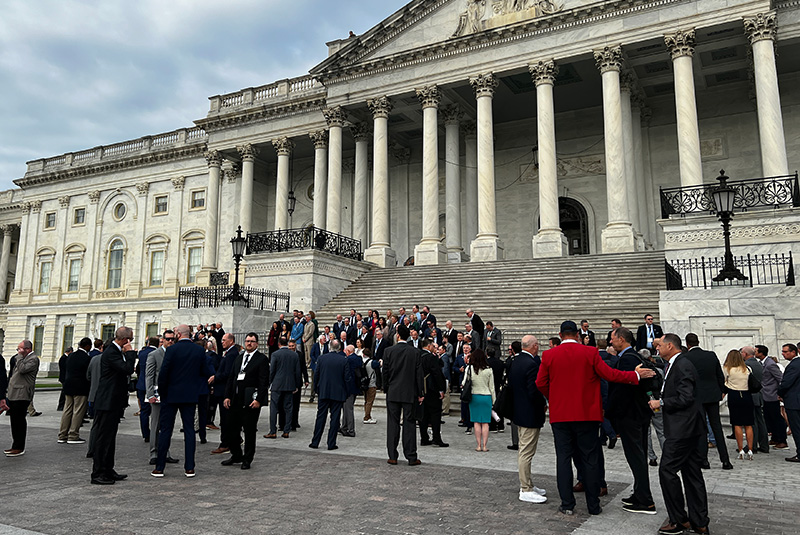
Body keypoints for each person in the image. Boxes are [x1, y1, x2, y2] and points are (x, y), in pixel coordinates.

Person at [536, 320, 654, 516]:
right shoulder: (589, 352)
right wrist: (635, 375)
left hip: (561, 414)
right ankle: (593, 504)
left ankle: (567, 504)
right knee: (590, 458)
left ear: (560, 334)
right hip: (587, 414)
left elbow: (540, 382)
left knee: (563, 459)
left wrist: (553, 397)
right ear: (576, 335)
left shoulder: (549, 355)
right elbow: (610, 374)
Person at [649, 333, 710, 535]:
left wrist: (662, 403)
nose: (657, 349)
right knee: (692, 473)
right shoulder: (675, 363)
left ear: (670, 346)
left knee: (667, 471)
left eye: (660, 346)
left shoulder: (682, 364)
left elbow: (686, 397)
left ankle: (678, 520)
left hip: (682, 429)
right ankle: (699, 521)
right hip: (688, 427)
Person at [606, 327, 658, 515]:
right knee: (639, 455)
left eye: (612, 339)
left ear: (621, 339)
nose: (610, 342)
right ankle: (639, 493)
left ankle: (645, 500)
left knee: (636, 456)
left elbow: (621, 389)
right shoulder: (634, 357)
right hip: (639, 414)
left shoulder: (628, 359)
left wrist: (609, 412)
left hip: (630, 415)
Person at [151, 324, 212, 478]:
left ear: (178, 334)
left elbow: (163, 373)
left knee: (166, 430)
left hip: (171, 395)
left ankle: (160, 467)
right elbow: (205, 371)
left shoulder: (171, 350)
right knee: (189, 430)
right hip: (190, 395)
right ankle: (189, 467)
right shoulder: (199, 350)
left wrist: (163, 393)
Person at [90, 327, 136, 484]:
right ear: (125, 340)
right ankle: (98, 473)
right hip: (107, 401)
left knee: (110, 438)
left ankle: (108, 469)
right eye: (131, 340)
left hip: (114, 401)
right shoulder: (111, 352)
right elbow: (127, 370)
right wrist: (130, 353)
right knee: (103, 438)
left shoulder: (115, 352)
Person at [683, 333, 732, 470]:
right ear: (698, 342)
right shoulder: (711, 355)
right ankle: (725, 460)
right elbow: (719, 375)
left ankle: (704, 460)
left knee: (701, 428)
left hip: (697, 396)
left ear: (687, 344)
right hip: (713, 395)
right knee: (717, 427)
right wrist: (722, 391)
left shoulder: (686, 357)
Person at [510, 335, 548, 504]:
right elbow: (534, 391)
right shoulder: (531, 364)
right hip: (529, 413)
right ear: (533, 346)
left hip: (519, 411)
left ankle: (528, 484)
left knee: (524, 450)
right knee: (526, 452)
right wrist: (544, 403)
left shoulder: (516, 361)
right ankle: (525, 488)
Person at [222, 333, 269, 470]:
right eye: (247, 341)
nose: (249, 343)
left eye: (252, 341)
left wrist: (258, 399)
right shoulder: (239, 358)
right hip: (235, 400)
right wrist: (227, 396)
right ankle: (236, 454)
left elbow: (263, 381)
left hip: (250, 402)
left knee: (249, 431)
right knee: (231, 429)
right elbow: (231, 378)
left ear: (257, 343)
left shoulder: (261, 359)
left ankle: (247, 458)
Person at [382, 324, 424, 466]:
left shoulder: (388, 351)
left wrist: (386, 388)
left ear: (398, 335)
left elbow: (385, 372)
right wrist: (420, 392)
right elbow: (419, 375)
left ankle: (392, 455)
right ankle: (411, 456)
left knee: (392, 423)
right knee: (409, 423)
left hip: (393, 391)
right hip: (409, 392)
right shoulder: (415, 352)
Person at [309, 339, 351, 450]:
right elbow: (347, 378)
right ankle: (331, 443)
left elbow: (316, 376)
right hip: (338, 393)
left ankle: (315, 441)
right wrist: (347, 392)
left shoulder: (322, 359)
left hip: (324, 391)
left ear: (329, 347)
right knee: (335, 419)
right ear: (339, 348)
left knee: (320, 417)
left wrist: (317, 389)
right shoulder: (343, 360)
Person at [145, 331, 178, 465]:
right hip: (157, 394)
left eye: (172, 339)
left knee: (167, 425)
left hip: (172, 394)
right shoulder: (154, 354)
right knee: (155, 423)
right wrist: (150, 393)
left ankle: (165, 452)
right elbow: (149, 375)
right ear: (162, 340)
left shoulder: (176, 354)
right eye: (168, 339)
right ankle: (154, 452)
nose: (170, 341)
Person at [4, 340, 40, 457]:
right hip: (15, 393)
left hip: (22, 394)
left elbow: (22, 369)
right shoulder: (23, 358)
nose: (18, 351)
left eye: (20, 349)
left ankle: (19, 447)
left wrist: (19, 357)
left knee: (19, 421)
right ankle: (15, 445)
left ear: (27, 349)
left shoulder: (33, 359)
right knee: (14, 421)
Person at [57, 337, 92, 445]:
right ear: (87, 346)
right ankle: (73, 435)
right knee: (78, 411)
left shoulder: (71, 356)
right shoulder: (86, 358)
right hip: (80, 387)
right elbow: (88, 374)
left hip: (68, 386)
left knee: (67, 411)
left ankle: (62, 435)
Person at [265, 337, 301, 439]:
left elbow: (272, 370)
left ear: (279, 344)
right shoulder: (294, 355)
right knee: (288, 408)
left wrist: (270, 382)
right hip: (290, 384)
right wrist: (297, 385)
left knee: (274, 408)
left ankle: (273, 431)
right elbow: (297, 372)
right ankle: (286, 431)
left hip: (277, 383)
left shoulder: (275, 354)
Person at [722, 349, 755, 460]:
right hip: (746, 395)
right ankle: (750, 450)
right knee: (748, 424)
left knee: (737, 424)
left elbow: (724, 382)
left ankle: (740, 449)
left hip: (734, 395)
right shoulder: (747, 369)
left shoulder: (727, 369)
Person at [210, 333, 238, 455]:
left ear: (231, 341)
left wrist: (215, 377)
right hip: (222, 390)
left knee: (226, 419)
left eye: (224, 340)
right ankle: (233, 440)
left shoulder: (232, 354)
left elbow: (228, 373)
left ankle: (225, 443)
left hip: (225, 391)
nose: (222, 342)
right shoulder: (228, 353)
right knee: (226, 418)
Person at [755, 345, 787, 449]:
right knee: (769, 418)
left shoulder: (770, 364)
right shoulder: (761, 363)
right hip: (765, 395)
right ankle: (775, 437)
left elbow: (780, 378)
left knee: (776, 418)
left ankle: (782, 440)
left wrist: (780, 392)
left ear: (761, 353)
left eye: (756, 351)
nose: (754, 353)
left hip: (772, 395)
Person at [419, 339, 448, 447]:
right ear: (429, 346)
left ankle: (424, 438)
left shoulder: (417, 355)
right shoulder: (431, 357)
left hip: (421, 389)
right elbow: (437, 373)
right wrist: (441, 389)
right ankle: (436, 438)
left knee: (424, 415)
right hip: (432, 389)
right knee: (435, 414)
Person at [464, 348, 495, 452]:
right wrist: (494, 401)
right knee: (485, 422)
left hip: (474, 396)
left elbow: (464, 383)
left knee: (476, 422)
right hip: (486, 396)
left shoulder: (470, 368)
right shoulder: (489, 369)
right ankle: (485, 446)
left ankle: (478, 445)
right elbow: (492, 387)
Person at [742, 346, 769, 453]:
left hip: (750, 395)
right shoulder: (759, 364)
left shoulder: (746, 365)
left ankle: (751, 445)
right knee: (760, 421)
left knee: (752, 421)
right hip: (758, 394)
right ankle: (764, 445)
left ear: (745, 354)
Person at [778, 343, 800, 462]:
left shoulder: (794, 365)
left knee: (796, 428)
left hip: (794, 401)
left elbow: (786, 383)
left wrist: (780, 393)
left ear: (793, 352)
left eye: (785, 351)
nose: (783, 354)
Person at [135, 337, 158, 443]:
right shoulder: (157, 353)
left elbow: (139, 368)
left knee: (144, 411)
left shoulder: (142, 353)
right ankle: (155, 432)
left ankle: (146, 434)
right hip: (154, 385)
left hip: (141, 384)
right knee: (156, 410)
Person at [340, 344, 362, 437]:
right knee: (346, 408)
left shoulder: (348, 360)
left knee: (348, 409)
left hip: (349, 387)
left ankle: (350, 429)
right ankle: (344, 427)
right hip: (356, 387)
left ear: (348, 351)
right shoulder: (358, 358)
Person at [362, 348, 380, 424]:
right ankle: (367, 417)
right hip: (371, 384)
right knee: (370, 401)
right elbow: (379, 365)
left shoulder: (362, 362)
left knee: (366, 401)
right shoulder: (372, 362)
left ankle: (367, 415)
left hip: (364, 383)